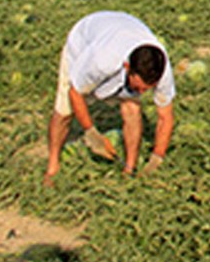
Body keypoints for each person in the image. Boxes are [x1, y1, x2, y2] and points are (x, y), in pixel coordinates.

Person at [44, 11, 176, 186]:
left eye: (148, 89)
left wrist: (157, 158)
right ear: (127, 67)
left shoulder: (162, 69)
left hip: (123, 29)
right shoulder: (101, 61)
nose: (142, 92)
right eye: (138, 87)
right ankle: (52, 167)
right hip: (85, 39)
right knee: (64, 110)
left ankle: (129, 169)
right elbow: (75, 93)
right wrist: (91, 133)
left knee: (132, 107)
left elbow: (165, 117)